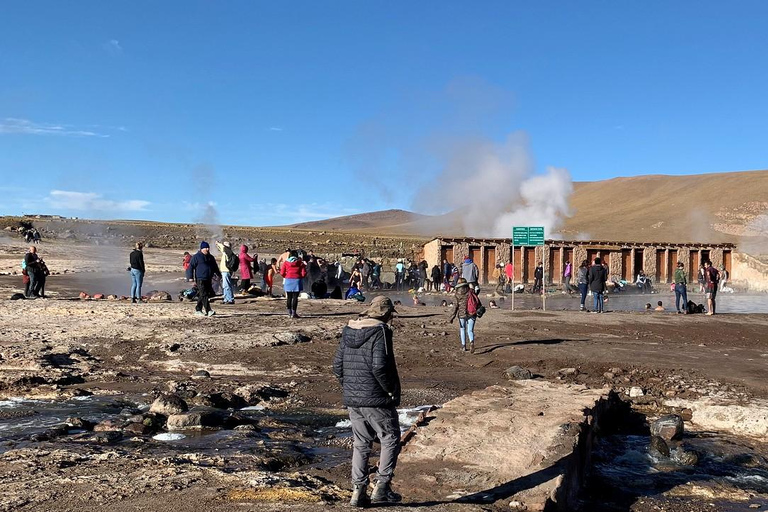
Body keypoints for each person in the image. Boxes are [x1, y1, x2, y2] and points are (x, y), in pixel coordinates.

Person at [333, 296, 402, 507]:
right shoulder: (380, 331)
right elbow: (380, 366)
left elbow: (337, 366)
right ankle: (382, 486)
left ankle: (358, 491)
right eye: (391, 314)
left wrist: (350, 388)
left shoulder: (349, 330)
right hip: (376, 398)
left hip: (353, 398)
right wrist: (390, 390)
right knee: (390, 437)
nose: (392, 318)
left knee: (361, 443)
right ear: (385, 314)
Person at [189, 241, 221, 317]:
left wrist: (219, 275)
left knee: (204, 294)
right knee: (203, 294)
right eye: (205, 248)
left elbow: (215, 267)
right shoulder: (196, 257)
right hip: (200, 278)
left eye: (208, 248)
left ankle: (198, 309)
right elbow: (190, 267)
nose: (207, 249)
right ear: (201, 249)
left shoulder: (211, 257)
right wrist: (190, 277)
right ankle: (209, 310)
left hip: (208, 278)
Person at [449, 277, 478, 353]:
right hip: (472, 313)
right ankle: (471, 342)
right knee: (470, 330)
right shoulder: (471, 291)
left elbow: (455, 306)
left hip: (462, 314)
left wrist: (452, 317)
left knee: (462, 329)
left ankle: (463, 346)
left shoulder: (457, 294)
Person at [280, 250, 307, 318]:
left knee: (289, 297)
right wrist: (299, 276)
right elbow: (304, 273)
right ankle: (294, 313)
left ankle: (289, 312)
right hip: (297, 281)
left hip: (288, 280)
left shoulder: (286, 263)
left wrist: (286, 276)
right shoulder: (300, 263)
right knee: (295, 297)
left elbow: (282, 273)